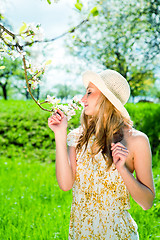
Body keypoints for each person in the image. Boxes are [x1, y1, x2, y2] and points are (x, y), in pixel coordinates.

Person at [48, 69, 155, 240]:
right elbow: (66, 185)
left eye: (89, 92)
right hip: (80, 234)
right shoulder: (77, 137)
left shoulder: (137, 141)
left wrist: (123, 170)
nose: (83, 99)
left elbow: (147, 202)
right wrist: (60, 134)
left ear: (106, 97)